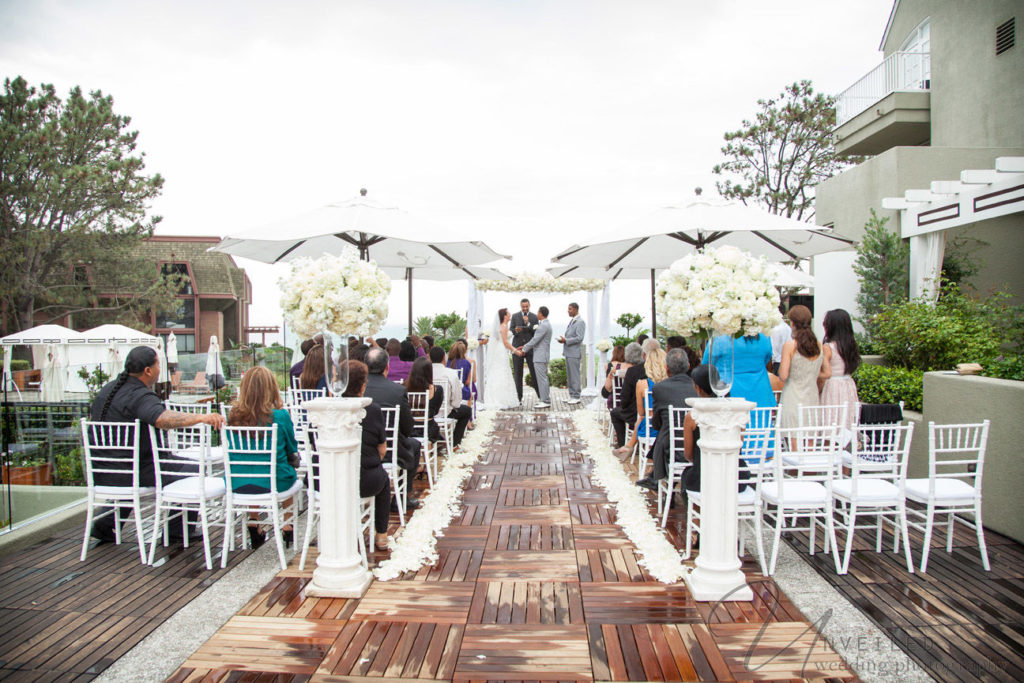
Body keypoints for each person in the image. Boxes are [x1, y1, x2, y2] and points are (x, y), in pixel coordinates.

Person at [88, 346, 226, 542]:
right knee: (194, 468)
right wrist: (201, 418)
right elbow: (161, 419)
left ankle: (105, 524)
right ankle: (177, 531)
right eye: (158, 364)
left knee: (144, 469)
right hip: (134, 472)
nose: (160, 369)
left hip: (102, 471)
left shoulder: (107, 391)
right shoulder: (140, 396)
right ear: (148, 371)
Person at [225, 365, 300, 548]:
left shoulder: (233, 416)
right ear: (271, 388)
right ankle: (287, 525)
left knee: (254, 468)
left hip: (238, 482)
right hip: (274, 481)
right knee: (286, 471)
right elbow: (292, 448)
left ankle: (254, 522)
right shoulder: (280, 415)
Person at [339, 360, 392, 551]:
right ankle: (382, 534)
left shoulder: (329, 410)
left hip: (329, 482)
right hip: (364, 480)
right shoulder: (372, 409)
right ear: (363, 386)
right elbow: (382, 450)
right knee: (385, 482)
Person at [363, 347, 422, 510]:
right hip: (392, 451)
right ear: (387, 367)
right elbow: (408, 427)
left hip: (363, 451)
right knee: (415, 445)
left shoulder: (358, 389)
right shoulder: (397, 390)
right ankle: (402, 497)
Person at [679, 364, 751, 497]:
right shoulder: (736, 412)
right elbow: (738, 448)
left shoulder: (693, 416)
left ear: (698, 388)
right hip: (735, 476)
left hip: (705, 477)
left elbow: (688, 454)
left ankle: (697, 514)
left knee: (687, 476)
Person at [637, 349, 699, 491]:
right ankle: (655, 478)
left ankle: (657, 479)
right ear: (688, 366)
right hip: (695, 447)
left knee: (664, 432)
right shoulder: (697, 387)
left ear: (667, 368)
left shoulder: (660, 388)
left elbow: (657, 423)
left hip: (670, 447)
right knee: (665, 432)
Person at [778, 305, 827, 429]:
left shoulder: (790, 346)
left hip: (793, 396)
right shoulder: (819, 345)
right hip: (812, 396)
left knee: (793, 438)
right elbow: (827, 373)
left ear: (792, 323)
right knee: (810, 438)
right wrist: (811, 373)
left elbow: (783, 376)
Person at [615, 343, 667, 459]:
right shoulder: (671, 384)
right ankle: (630, 447)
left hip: (652, 429)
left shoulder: (643, 384)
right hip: (668, 429)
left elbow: (641, 413)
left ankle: (628, 446)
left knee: (643, 418)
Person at [702, 333, 775, 408]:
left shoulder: (720, 337)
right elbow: (767, 358)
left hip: (728, 395)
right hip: (761, 398)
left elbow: (706, 365)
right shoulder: (764, 336)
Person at [819, 308, 861, 432]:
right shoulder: (851, 346)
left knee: (831, 423)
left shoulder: (828, 347)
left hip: (832, 387)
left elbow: (824, 374)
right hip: (848, 386)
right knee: (847, 422)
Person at [430, 346, 473, 447]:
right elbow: (457, 401)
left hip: (427, 414)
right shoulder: (450, 373)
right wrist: (451, 406)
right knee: (466, 411)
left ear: (430, 359)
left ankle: (436, 440)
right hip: (446, 412)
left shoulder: (424, 372)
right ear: (443, 359)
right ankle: (454, 444)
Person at [609, 342, 646, 448]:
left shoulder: (632, 371)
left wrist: (624, 406)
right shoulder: (648, 369)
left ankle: (622, 444)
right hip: (649, 412)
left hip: (634, 413)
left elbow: (624, 398)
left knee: (615, 413)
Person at [484, 307, 520, 410]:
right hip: (501, 351)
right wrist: (515, 350)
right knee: (502, 372)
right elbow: (505, 342)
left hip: (500, 350)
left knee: (501, 372)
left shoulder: (502, 326)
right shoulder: (504, 326)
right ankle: (500, 399)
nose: (510, 315)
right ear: (504, 316)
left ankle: (500, 398)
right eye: (508, 314)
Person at [517, 305, 552, 408]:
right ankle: (544, 399)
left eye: (538, 312)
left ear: (541, 313)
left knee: (542, 379)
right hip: (542, 355)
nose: (537, 314)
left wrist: (524, 349)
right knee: (543, 378)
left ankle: (545, 401)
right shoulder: (545, 324)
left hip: (540, 356)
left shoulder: (543, 326)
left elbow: (535, 340)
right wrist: (524, 346)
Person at [405, 356, 445, 443]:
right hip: (429, 430)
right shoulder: (437, 390)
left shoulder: (404, 388)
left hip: (408, 429)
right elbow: (436, 411)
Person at [510, 298, 539, 402]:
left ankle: (540, 397)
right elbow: (511, 330)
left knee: (534, 372)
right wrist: (515, 331)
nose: (525, 308)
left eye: (527, 306)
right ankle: (518, 398)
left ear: (529, 306)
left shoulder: (534, 317)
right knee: (518, 374)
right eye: (523, 307)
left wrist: (528, 324)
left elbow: (536, 332)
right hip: (517, 347)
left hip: (530, 349)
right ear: (520, 306)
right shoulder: (514, 316)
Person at [558, 302, 586, 404]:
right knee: (570, 376)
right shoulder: (572, 321)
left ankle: (576, 396)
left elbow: (579, 338)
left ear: (575, 309)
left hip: (574, 353)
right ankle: (571, 395)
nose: (568, 311)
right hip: (568, 353)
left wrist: (566, 340)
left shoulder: (580, 322)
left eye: (569, 309)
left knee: (574, 375)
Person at [769, 311, 792, 376]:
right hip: (786, 362)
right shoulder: (787, 327)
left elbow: (773, 350)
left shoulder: (775, 329)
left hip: (777, 363)